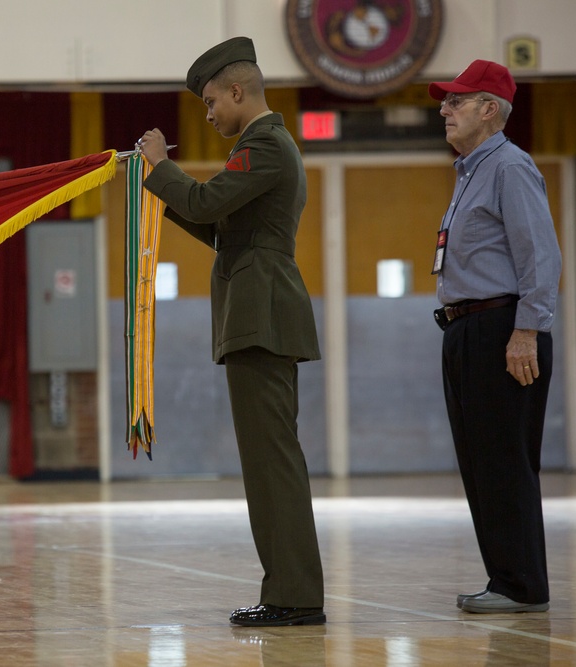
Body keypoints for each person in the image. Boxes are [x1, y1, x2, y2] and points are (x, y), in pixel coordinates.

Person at [138, 36, 325, 627]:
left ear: (238, 91)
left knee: (272, 464)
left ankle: (294, 596)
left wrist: (161, 168)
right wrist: (161, 191)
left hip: (262, 315)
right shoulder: (262, 145)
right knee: (268, 463)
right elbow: (220, 227)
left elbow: (204, 200)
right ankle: (289, 591)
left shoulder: (264, 144)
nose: (209, 112)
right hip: (257, 314)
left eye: (211, 100)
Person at [428, 60, 561, 614]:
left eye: (457, 101)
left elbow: (541, 257)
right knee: (481, 462)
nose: (444, 109)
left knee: (503, 460)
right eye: (445, 102)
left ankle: (521, 585)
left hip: (503, 327)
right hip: (466, 328)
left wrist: (526, 329)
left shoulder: (509, 167)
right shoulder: (469, 172)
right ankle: (505, 578)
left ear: (490, 109)